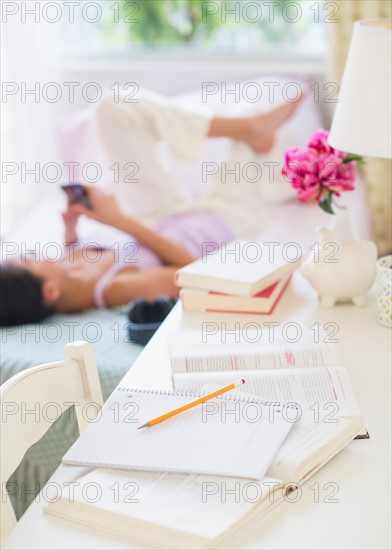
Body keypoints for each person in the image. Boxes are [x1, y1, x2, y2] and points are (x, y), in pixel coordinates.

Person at [0, 89, 303, 326]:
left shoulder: (67, 274)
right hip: (223, 222)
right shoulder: (115, 289)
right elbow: (196, 273)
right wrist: (119, 221)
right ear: (50, 292)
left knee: (115, 109)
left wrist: (72, 233)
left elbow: (76, 264)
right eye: (29, 259)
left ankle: (247, 128)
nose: (36, 253)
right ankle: (294, 172)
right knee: (255, 134)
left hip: (165, 217)